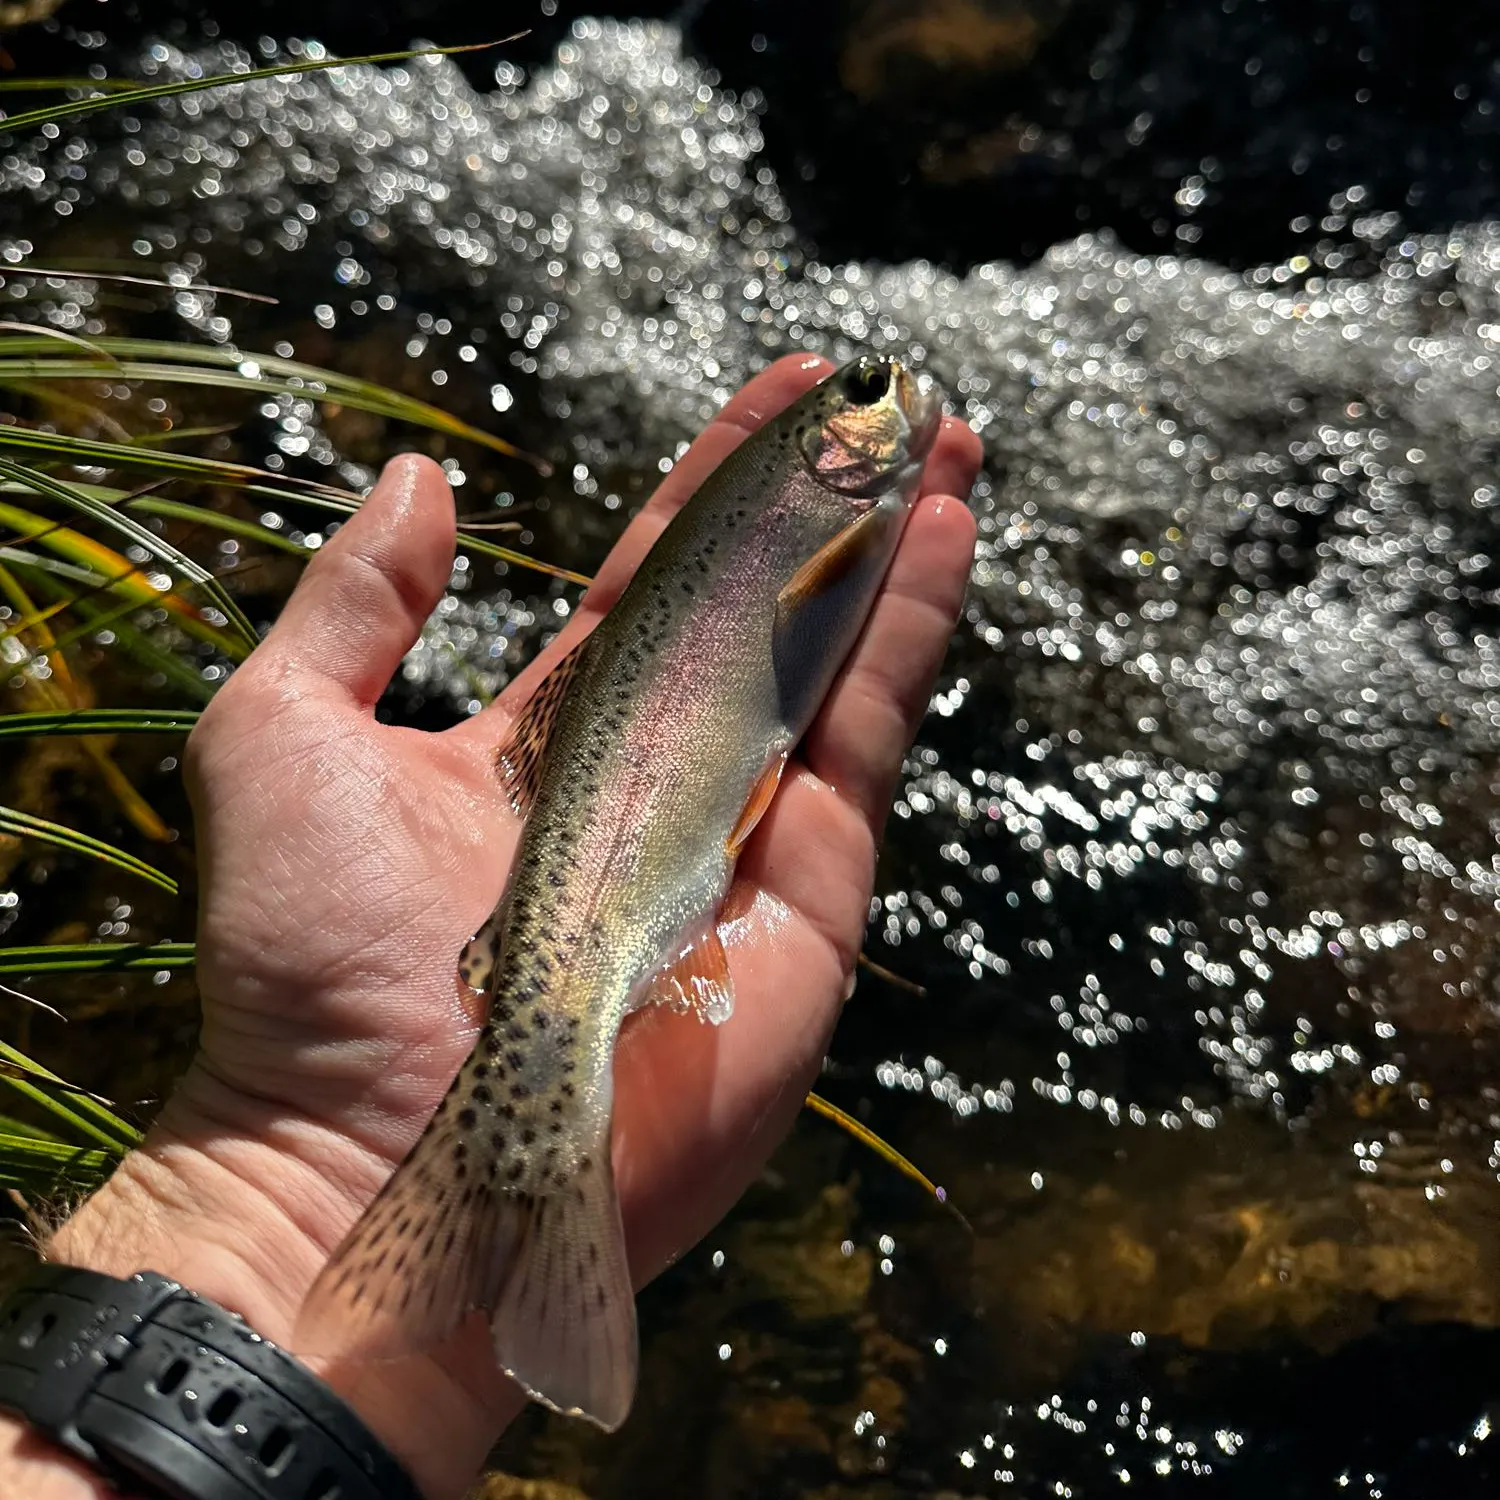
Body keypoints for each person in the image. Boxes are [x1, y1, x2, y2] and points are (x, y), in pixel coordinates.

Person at [0, 354, 981, 1499]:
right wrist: (290, 1179)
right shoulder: (842, 503)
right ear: (827, 447)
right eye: (866, 390)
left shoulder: (842, 501)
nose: (886, 395)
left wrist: (260, 1201)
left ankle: (396, 1293)